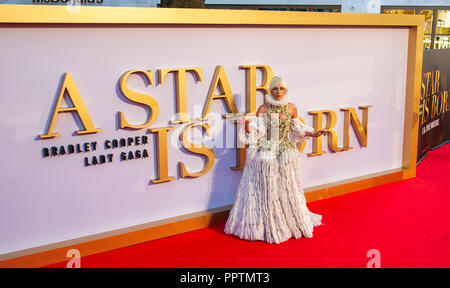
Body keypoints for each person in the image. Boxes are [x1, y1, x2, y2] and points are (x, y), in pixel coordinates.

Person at [224, 76, 327, 244]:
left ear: (286, 90)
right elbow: (258, 132)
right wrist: (248, 127)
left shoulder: (292, 107)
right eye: (275, 89)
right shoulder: (263, 109)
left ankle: (288, 219)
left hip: (285, 149)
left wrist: (314, 133)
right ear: (270, 91)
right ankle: (265, 220)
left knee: (286, 184)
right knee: (265, 183)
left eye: (281, 89)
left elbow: (297, 129)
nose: (278, 92)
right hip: (265, 148)